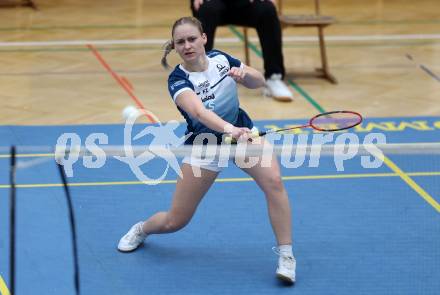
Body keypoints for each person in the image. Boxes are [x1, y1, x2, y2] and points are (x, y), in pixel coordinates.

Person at [117, 16, 296, 284]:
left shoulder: (221, 60)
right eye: (181, 42)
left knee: (274, 183)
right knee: (176, 220)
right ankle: (142, 229)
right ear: (175, 47)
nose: (187, 45)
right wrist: (228, 129)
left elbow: (259, 82)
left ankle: (286, 255)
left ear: (203, 38)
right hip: (206, 146)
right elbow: (199, 112)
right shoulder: (178, 79)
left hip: (242, 135)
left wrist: (245, 75)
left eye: (192, 39)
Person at [191, 0, 294, 102]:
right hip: (213, 3)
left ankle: (274, 76)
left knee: (267, 9)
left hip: (245, 5)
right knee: (206, 9)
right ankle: (202, 79)